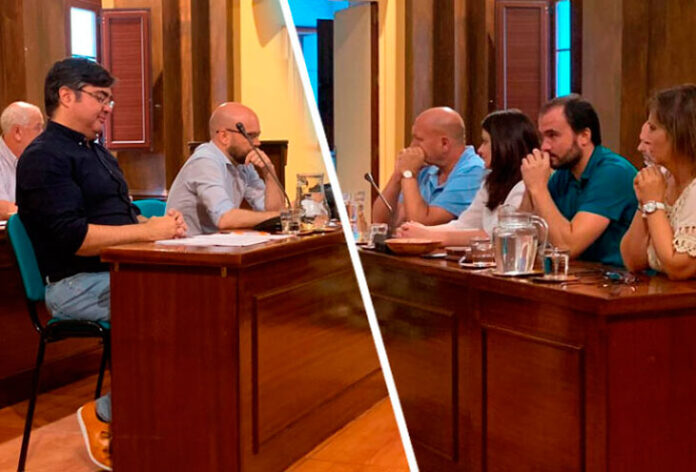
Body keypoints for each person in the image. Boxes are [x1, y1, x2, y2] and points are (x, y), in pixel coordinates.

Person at [16, 57, 187, 470]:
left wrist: (156, 225)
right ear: (66, 96)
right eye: (100, 97)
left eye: (109, 98)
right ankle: (108, 412)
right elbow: (75, 239)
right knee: (177, 308)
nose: (108, 108)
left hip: (115, 273)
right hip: (74, 284)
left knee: (200, 297)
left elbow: (120, 217)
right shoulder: (43, 157)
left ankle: (168, 421)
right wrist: (148, 232)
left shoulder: (97, 152)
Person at [520, 94, 637, 266]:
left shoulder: (613, 172)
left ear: (584, 136)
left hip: (618, 277)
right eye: (542, 137)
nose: (544, 146)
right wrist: (530, 187)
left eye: (553, 135)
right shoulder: (563, 174)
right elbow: (524, 239)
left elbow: (568, 247)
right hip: (579, 273)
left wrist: (538, 188)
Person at [397, 109, 539, 245]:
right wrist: (418, 231)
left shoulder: (524, 184)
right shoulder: (491, 182)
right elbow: (465, 224)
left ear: (505, 145)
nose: (480, 150)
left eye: (485, 142)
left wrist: (430, 235)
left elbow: (500, 236)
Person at [166, 102, 285, 235]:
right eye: (250, 136)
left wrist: (269, 171)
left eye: (258, 136)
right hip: (188, 245)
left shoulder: (243, 163)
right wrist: (279, 216)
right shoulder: (204, 161)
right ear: (224, 136)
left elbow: (271, 212)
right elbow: (223, 218)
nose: (257, 143)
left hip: (217, 243)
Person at [620, 84, 696, 279]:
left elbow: (679, 268)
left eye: (653, 128)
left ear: (680, 134)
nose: (642, 144)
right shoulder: (662, 179)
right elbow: (633, 260)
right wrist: (644, 203)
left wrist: (654, 204)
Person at [371, 107, 485, 227]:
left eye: (419, 139)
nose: (412, 145)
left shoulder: (474, 171)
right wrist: (397, 175)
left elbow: (420, 224)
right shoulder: (425, 168)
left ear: (444, 143)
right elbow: (381, 222)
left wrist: (409, 174)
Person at [0, 101, 44, 219]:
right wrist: (44, 214)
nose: (43, 134)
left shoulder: (38, 159)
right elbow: (1, 207)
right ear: (17, 132)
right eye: (38, 128)